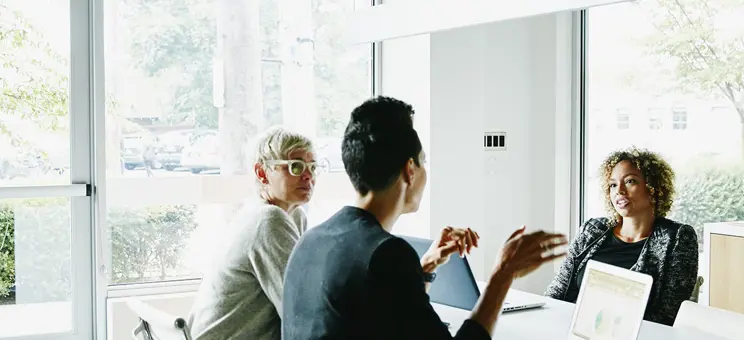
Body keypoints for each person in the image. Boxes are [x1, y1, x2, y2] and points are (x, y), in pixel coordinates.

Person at [282, 96, 568, 339]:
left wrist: (427, 266)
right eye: (424, 162)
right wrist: (503, 274)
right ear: (410, 169)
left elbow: (387, 317)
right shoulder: (386, 254)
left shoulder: (311, 240)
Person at [188, 126, 322, 340]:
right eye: (295, 166)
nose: (308, 176)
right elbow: (300, 312)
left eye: (313, 167)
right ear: (262, 172)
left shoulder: (289, 215)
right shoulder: (268, 220)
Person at [544, 147, 699, 326]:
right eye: (613, 185)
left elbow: (669, 316)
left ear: (653, 188)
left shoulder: (677, 238)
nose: (619, 191)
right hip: (570, 327)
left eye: (630, 181)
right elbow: (558, 290)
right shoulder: (592, 230)